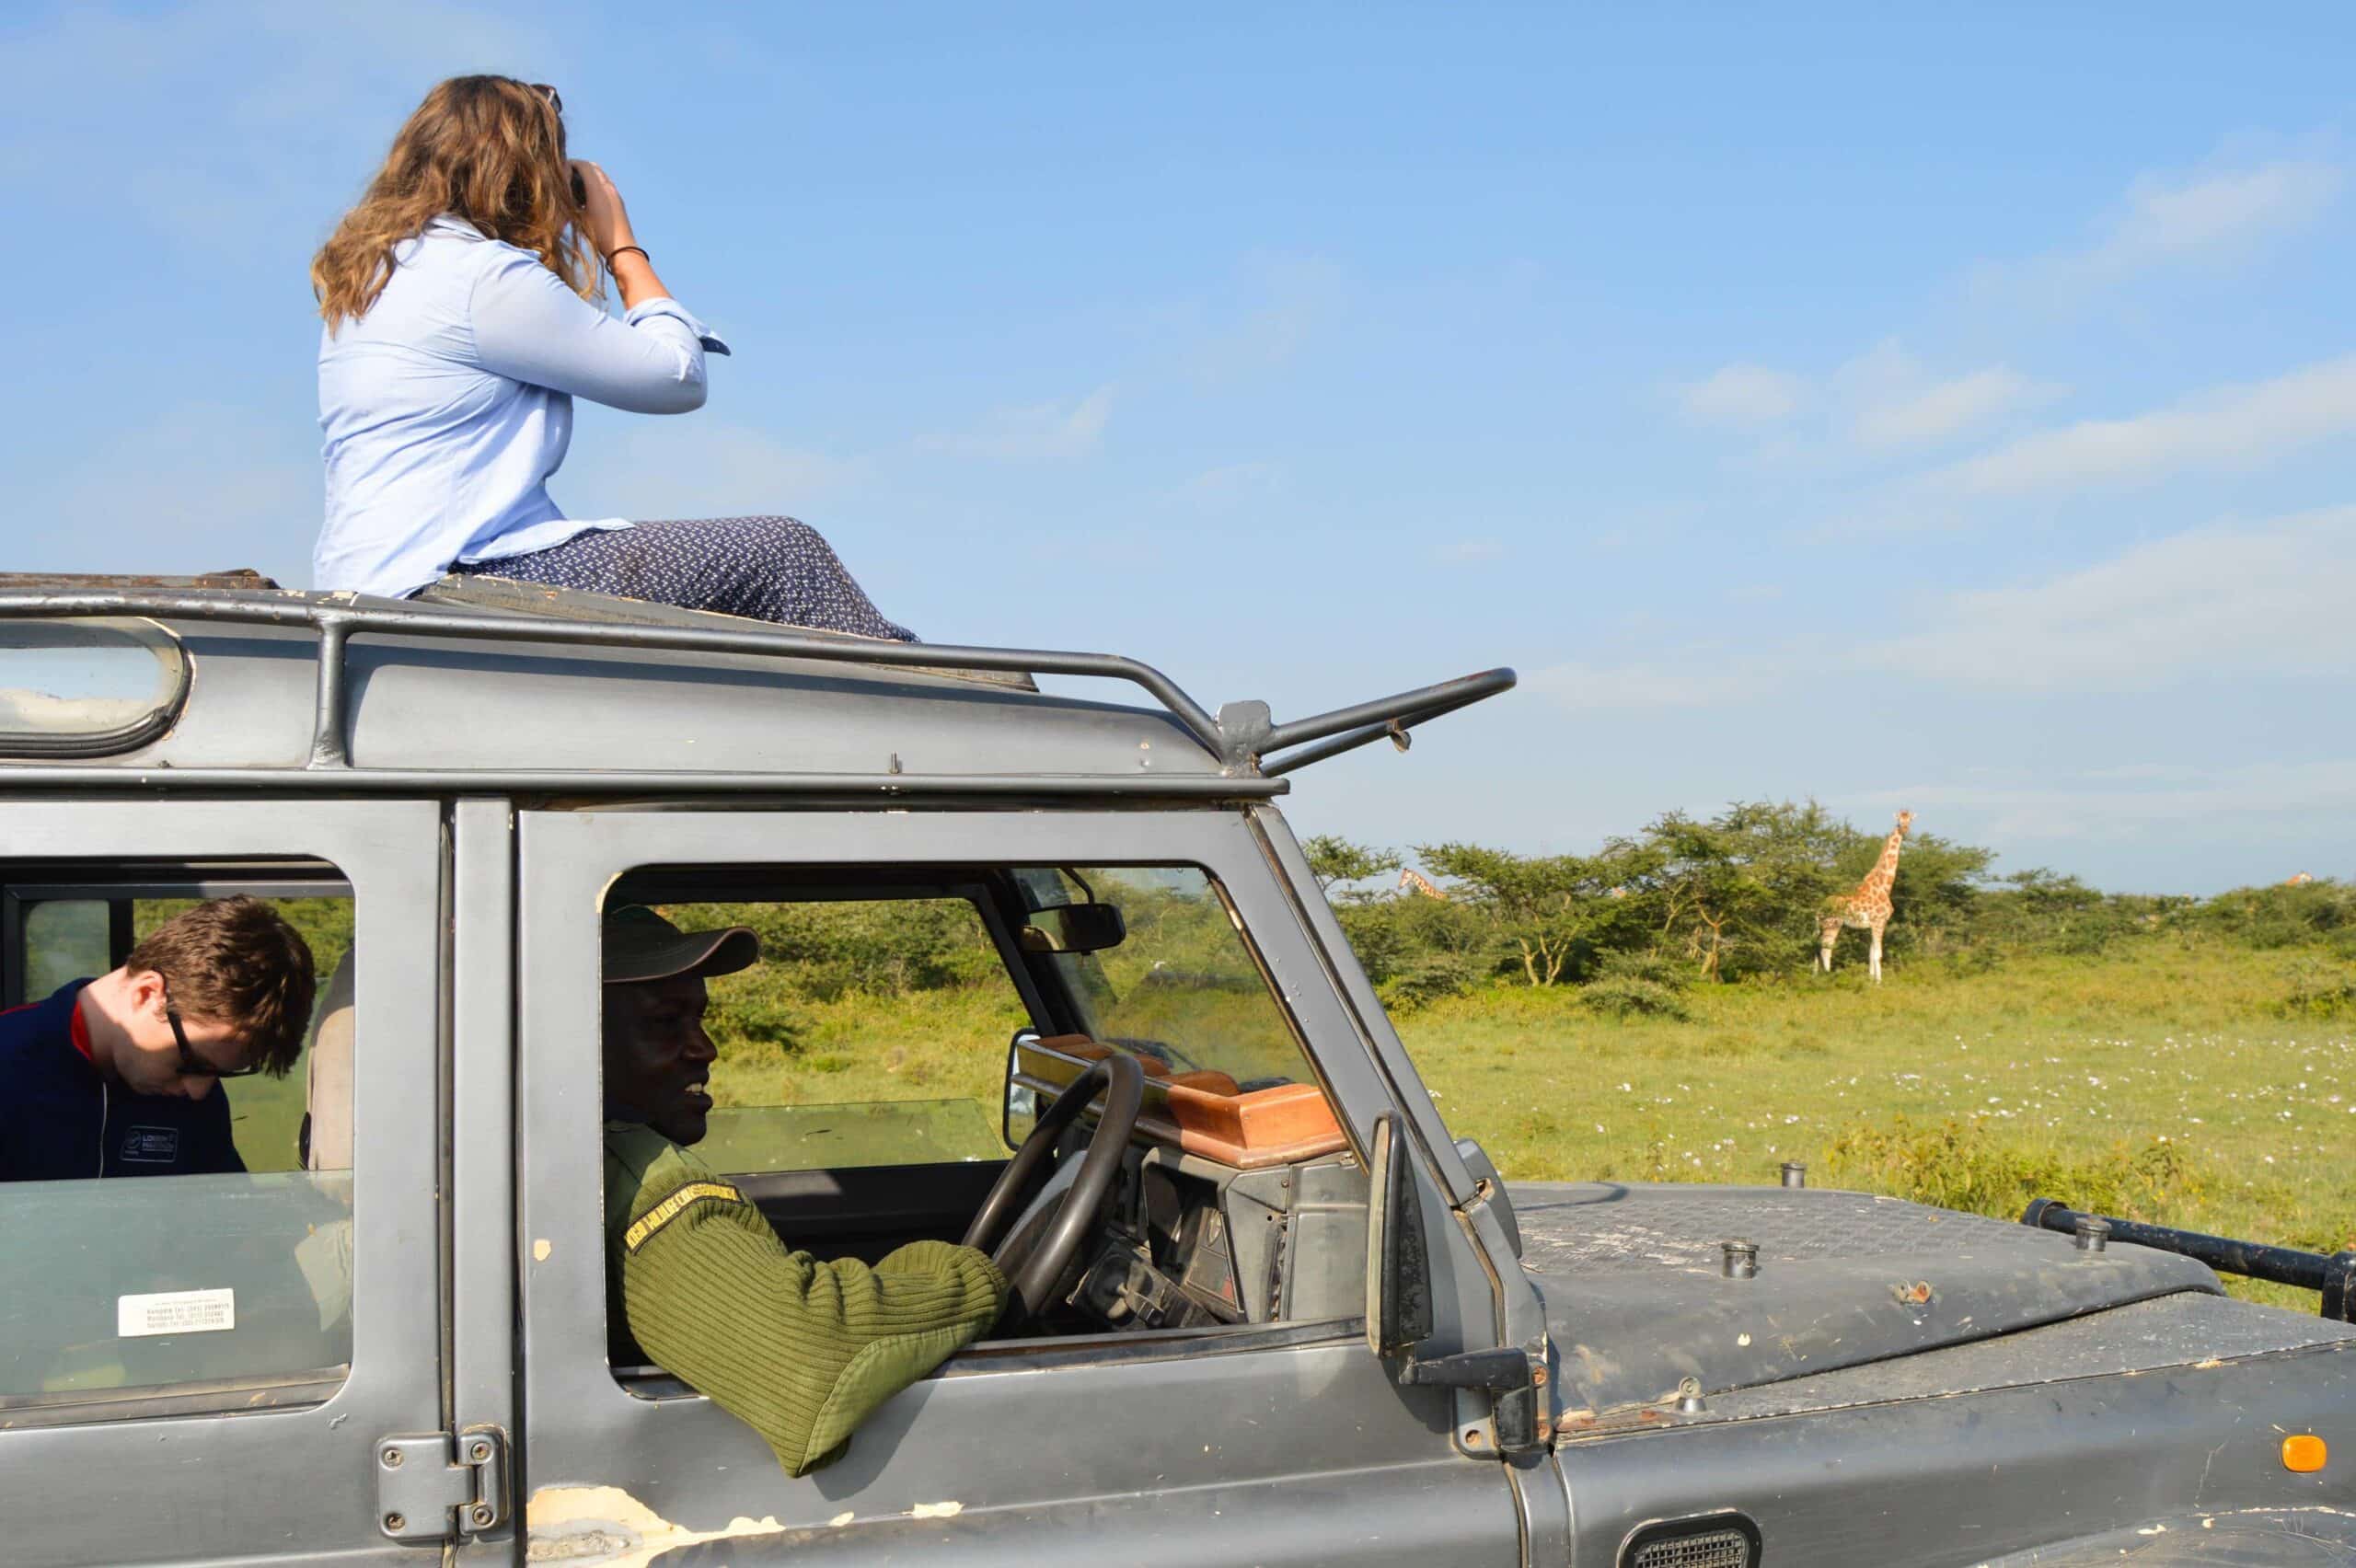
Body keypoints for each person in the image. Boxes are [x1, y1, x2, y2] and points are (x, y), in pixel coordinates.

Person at [311, 75, 914, 640]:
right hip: (453, 576)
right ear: (525, 173)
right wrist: (620, 243)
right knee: (782, 551)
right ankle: (925, 705)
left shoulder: (377, 277)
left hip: (372, 575)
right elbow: (675, 379)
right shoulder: (482, 278)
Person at [599, 905, 1005, 1475]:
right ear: (580, 1041)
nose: (705, 1049)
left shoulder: (600, 1155)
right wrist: (978, 1278)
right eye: (666, 1023)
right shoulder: (644, 1184)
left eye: (700, 1020)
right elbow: (810, 1351)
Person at [0, 897, 318, 1182]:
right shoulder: (10, 1061)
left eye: (221, 1074)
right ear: (147, 994)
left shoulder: (197, 1097)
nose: (198, 1091)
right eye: (190, 1064)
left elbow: (224, 1225)